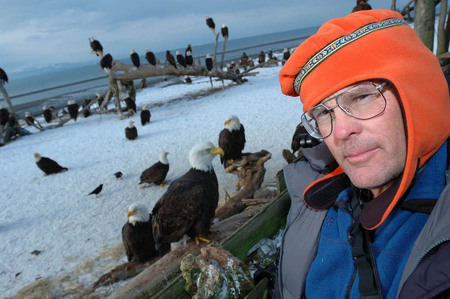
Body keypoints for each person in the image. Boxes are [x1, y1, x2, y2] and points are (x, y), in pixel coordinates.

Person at [276, 9, 450, 298]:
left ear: (418, 91)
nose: (341, 131)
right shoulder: (316, 205)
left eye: (361, 97)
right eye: (323, 112)